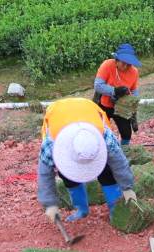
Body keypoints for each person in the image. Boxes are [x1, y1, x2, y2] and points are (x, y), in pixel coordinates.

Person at [37, 97, 137, 225]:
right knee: (67, 174)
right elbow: (44, 174)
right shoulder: (51, 144)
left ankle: (115, 208)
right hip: (60, 117)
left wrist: (127, 188)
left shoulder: (105, 136)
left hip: (87, 111)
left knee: (107, 171)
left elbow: (119, 163)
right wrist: (50, 204)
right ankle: (82, 209)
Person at [93, 43, 141, 146]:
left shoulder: (134, 72)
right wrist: (114, 91)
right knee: (100, 130)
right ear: (117, 60)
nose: (126, 66)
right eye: (123, 63)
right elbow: (98, 85)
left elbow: (134, 90)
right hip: (104, 104)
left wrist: (134, 100)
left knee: (126, 133)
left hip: (121, 108)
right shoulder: (107, 65)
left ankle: (123, 152)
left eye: (129, 64)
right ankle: (100, 150)